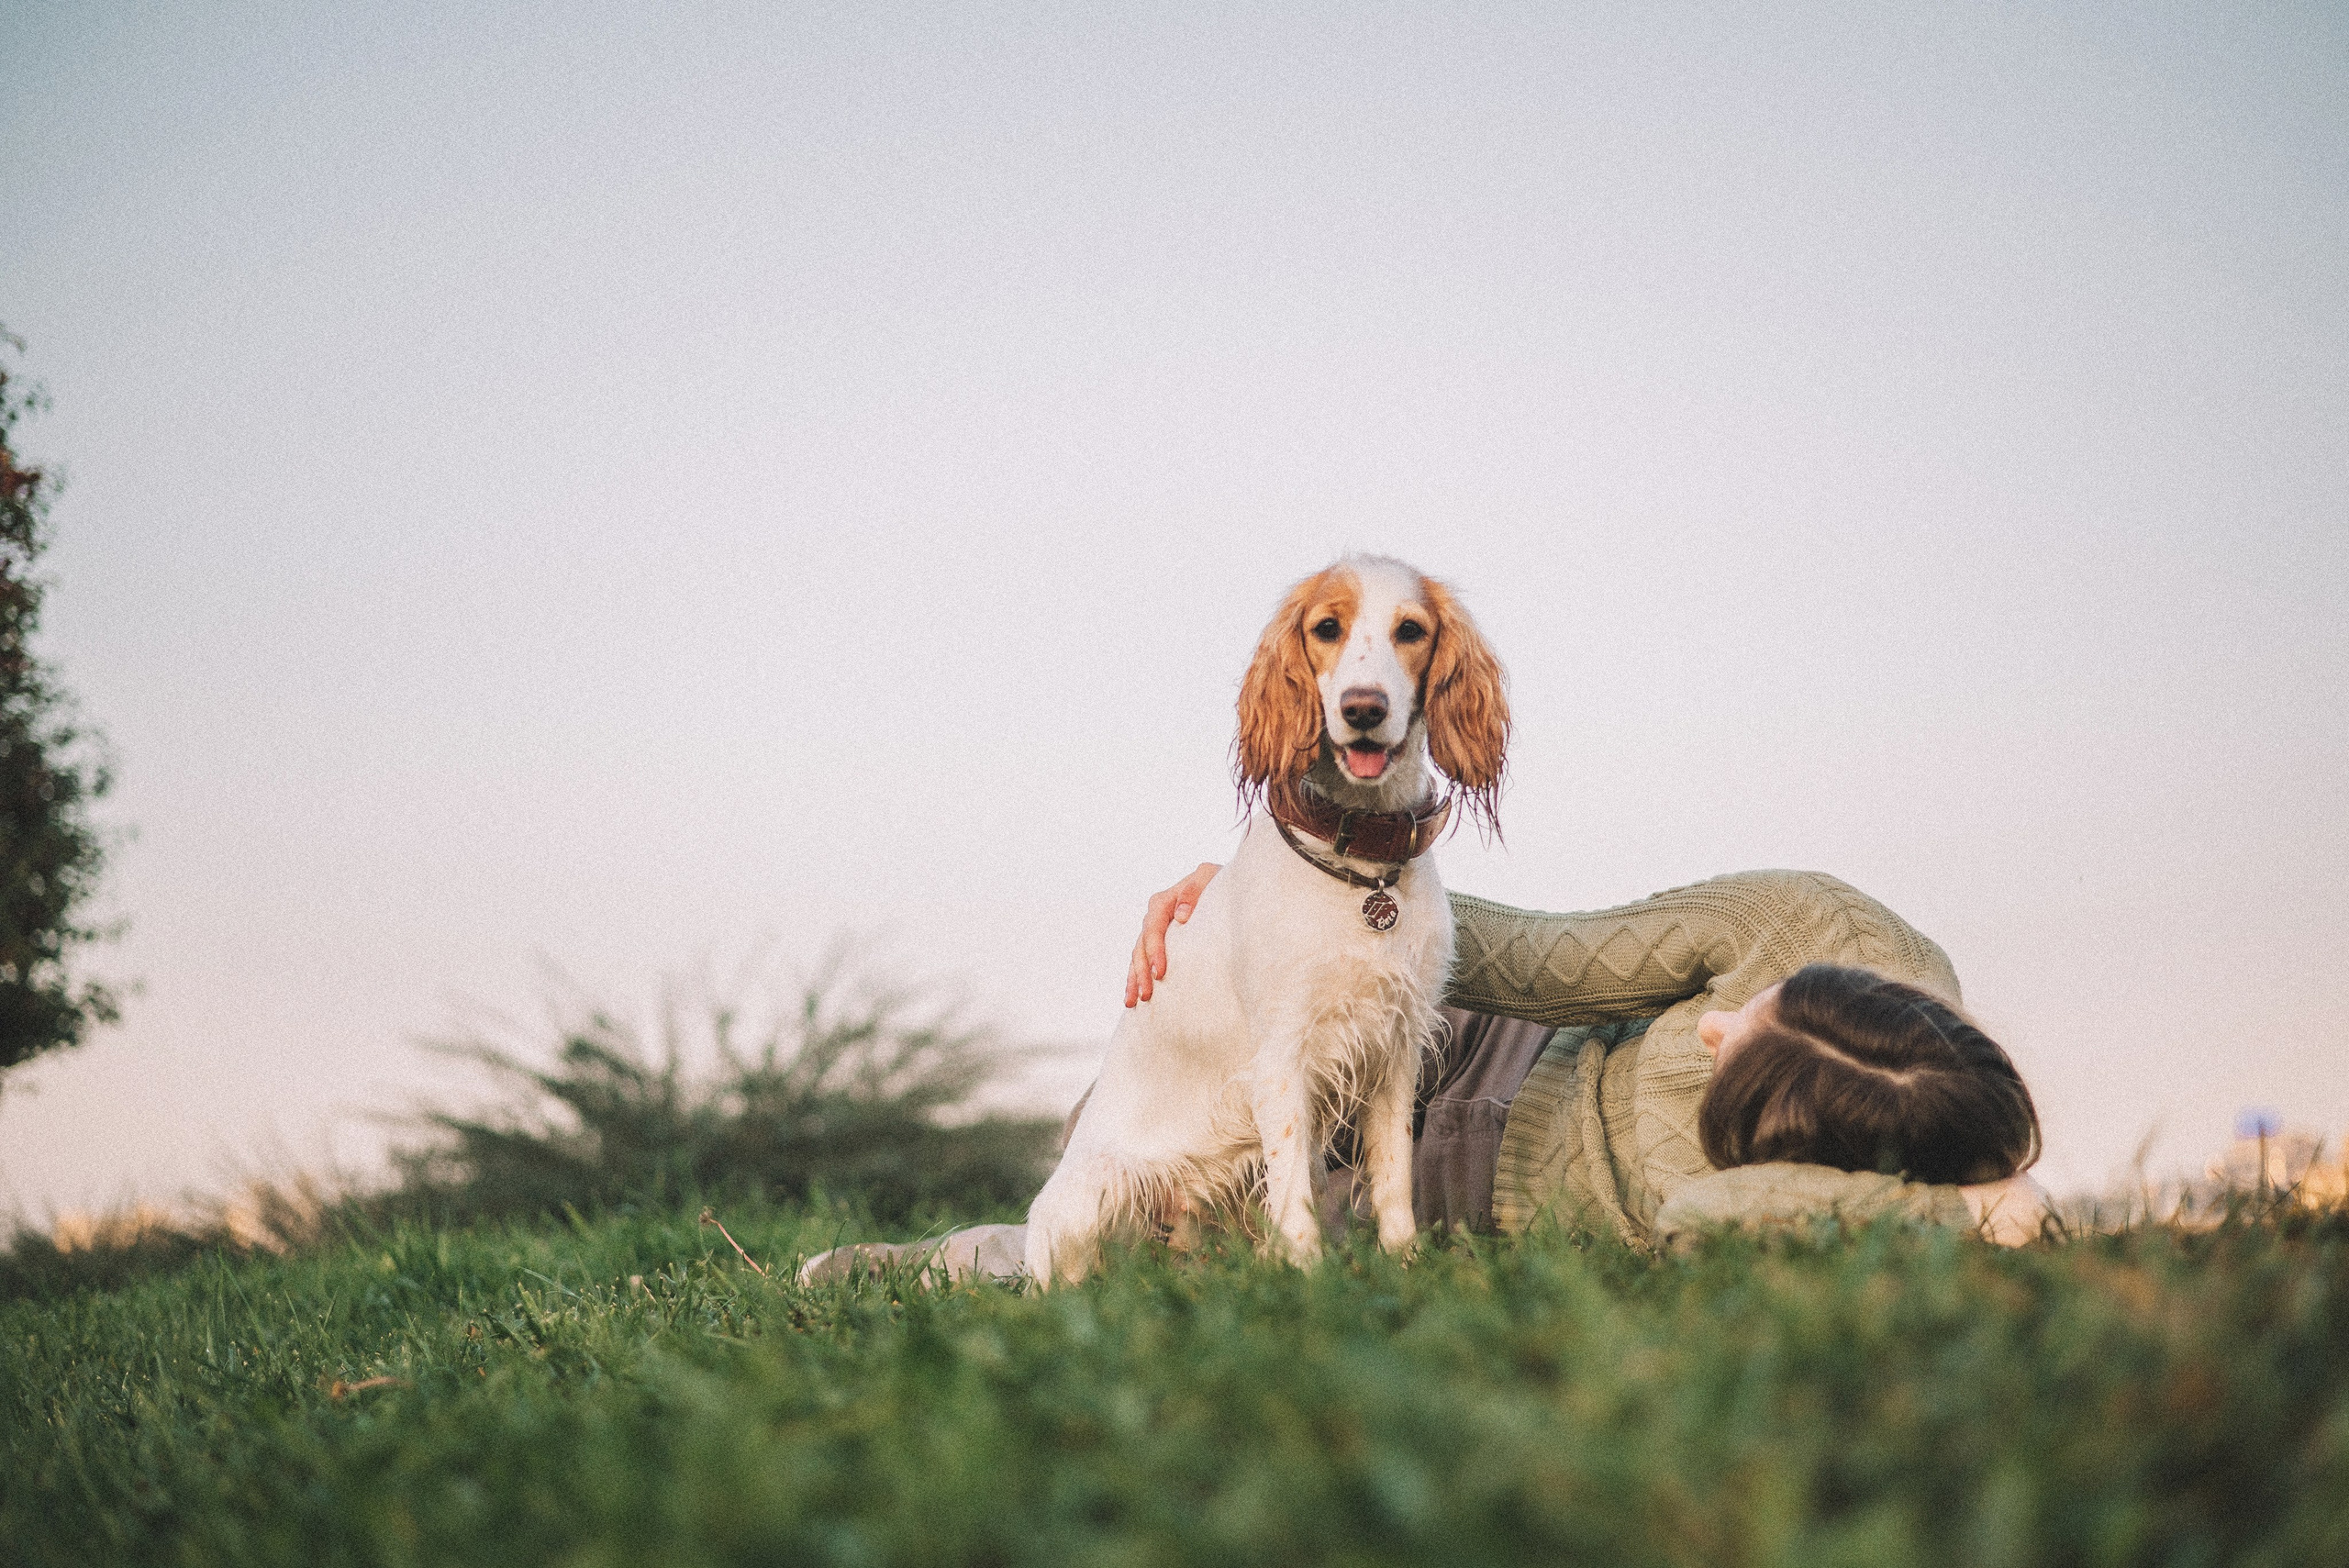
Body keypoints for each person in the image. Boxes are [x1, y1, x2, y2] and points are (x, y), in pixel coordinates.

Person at [799, 868, 2049, 1285]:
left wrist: (1954, 1213)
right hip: (1485, 1031)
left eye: (1740, 1075)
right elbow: (1536, 953)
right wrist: (1287, 894)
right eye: (1753, 1013)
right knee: (1137, 1127)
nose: (1716, 1032)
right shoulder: (1815, 920)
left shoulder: (1775, 1201)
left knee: (1153, 1256)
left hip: (1458, 1189)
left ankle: (960, 1258)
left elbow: (1698, 1209)